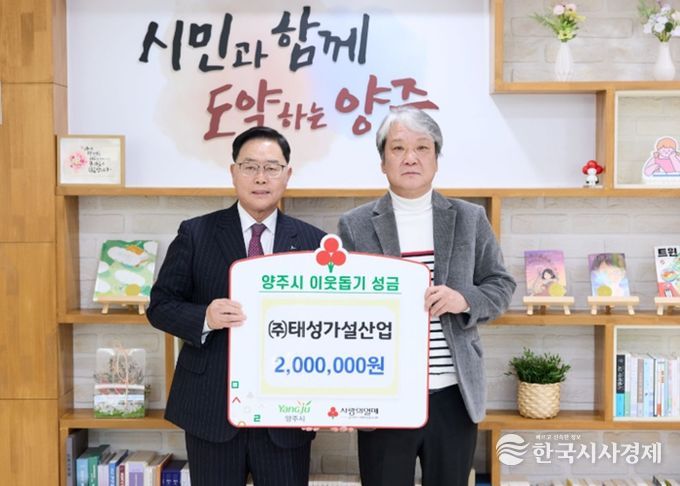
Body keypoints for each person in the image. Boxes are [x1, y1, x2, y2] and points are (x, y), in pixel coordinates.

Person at [337, 107, 516, 486]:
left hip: (453, 392)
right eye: (398, 148)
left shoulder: (469, 218)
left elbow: (501, 285)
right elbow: (344, 309)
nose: (410, 158)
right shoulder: (354, 224)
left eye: (422, 147)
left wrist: (463, 300)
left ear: (436, 158)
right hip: (385, 392)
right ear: (382, 161)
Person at [147, 126, 325, 486]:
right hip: (212, 408)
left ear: (287, 174)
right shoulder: (196, 233)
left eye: (272, 168)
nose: (261, 178)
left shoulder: (313, 242)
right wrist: (205, 317)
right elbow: (160, 305)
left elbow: (325, 327)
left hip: (286, 412)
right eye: (250, 166)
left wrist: (322, 399)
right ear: (233, 172)